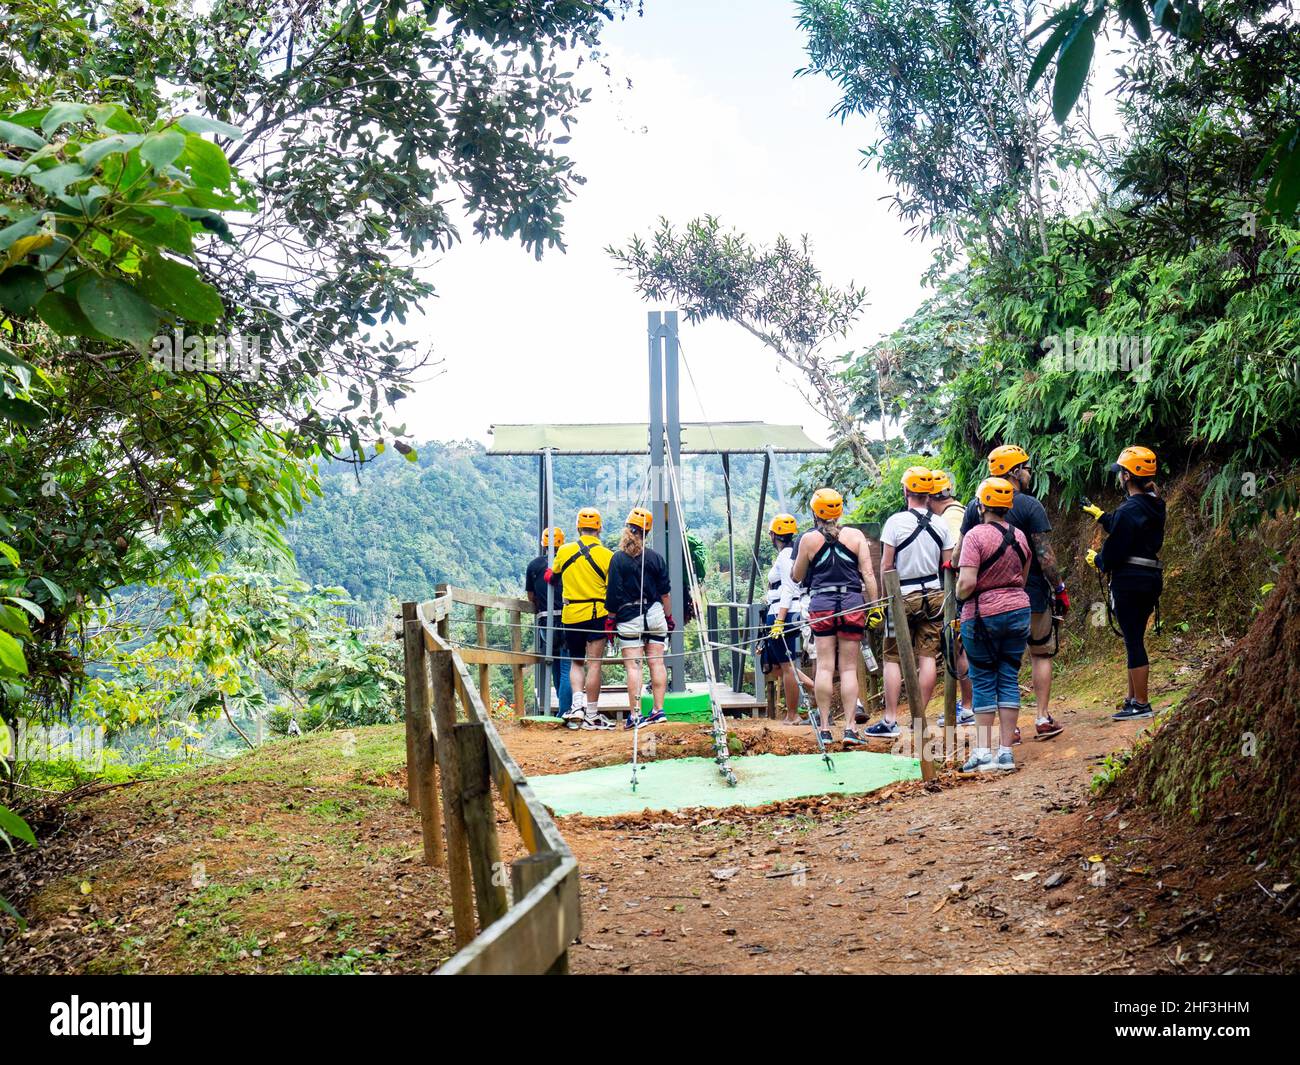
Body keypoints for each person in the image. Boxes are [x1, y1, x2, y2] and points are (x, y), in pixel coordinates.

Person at [959, 445, 1068, 742]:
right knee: (1040, 653)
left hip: (987, 603)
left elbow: (961, 551)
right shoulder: (1031, 506)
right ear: (1013, 472)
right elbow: (1044, 555)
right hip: (1029, 595)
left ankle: (1012, 729)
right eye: (1026, 467)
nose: (1029, 472)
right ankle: (1043, 717)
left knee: (1002, 662)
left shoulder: (975, 506)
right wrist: (1059, 588)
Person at [865, 466, 954, 738]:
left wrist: (881, 600)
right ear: (929, 493)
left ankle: (891, 719)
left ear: (905, 491)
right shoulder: (941, 524)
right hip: (935, 597)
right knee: (928, 656)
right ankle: (919, 717)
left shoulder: (895, 522)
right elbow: (948, 565)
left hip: (902, 596)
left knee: (893, 656)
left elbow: (887, 564)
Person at [1083, 446, 1166, 722]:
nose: (1118, 476)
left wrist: (1100, 560)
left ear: (1128, 476)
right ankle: (1133, 699)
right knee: (1135, 639)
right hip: (1149, 579)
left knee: (1133, 641)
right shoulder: (1155, 503)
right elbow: (1127, 525)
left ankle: (1141, 703)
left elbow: (1117, 546)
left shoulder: (1130, 509)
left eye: (1120, 472)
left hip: (1130, 582)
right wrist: (1101, 515)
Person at [956, 478, 1032, 772]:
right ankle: (1006, 753)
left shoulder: (975, 537)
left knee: (984, 678)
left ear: (981, 505)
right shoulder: (1021, 536)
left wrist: (960, 596)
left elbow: (967, 582)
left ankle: (983, 753)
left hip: (982, 615)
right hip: (1018, 610)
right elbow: (1022, 579)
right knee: (1009, 676)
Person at [792, 488, 879, 746]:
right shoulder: (855, 536)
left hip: (822, 603)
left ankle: (826, 727)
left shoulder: (808, 540)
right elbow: (869, 575)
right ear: (840, 510)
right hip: (852, 602)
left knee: (826, 666)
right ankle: (851, 728)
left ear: (815, 512)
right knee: (849, 668)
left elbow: (797, 576)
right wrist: (875, 607)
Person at [545, 507, 616, 730]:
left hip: (571, 613)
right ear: (599, 529)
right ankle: (592, 713)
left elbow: (552, 576)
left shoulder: (564, 551)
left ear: (578, 527)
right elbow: (613, 587)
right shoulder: (607, 556)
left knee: (576, 661)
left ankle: (576, 706)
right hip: (597, 613)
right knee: (594, 663)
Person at [606, 507, 673, 730]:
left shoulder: (618, 559)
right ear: (648, 532)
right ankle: (658, 710)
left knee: (634, 667)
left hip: (629, 617)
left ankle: (635, 715)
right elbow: (665, 592)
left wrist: (610, 620)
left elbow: (613, 594)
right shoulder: (655, 558)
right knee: (657, 662)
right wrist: (668, 616)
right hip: (654, 614)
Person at [929, 470, 974, 723]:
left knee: (958, 648)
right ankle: (969, 704)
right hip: (961, 589)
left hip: (959, 590)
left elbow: (959, 550)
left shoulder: (952, 516)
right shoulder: (958, 511)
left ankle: (968, 706)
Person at [762, 513, 816, 725]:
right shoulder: (792, 554)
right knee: (781, 665)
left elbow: (788, 588)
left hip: (782, 613)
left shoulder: (786, 556)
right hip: (786, 612)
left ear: (773, 535)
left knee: (786, 666)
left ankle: (792, 714)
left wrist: (779, 620)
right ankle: (816, 692)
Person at [524, 526, 572, 717]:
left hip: (546, 619)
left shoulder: (534, 566)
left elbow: (530, 596)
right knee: (567, 665)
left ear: (543, 544)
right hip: (568, 618)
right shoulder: (568, 561)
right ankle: (565, 711)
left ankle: (562, 709)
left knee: (554, 663)